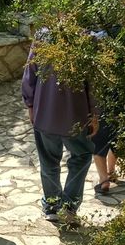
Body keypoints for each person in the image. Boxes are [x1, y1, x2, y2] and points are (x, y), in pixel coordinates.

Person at [22, 31, 98, 225]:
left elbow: (30, 72)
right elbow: (93, 82)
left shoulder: (42, 36)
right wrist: (95, 112)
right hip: (75, 115)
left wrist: (30, 104)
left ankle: (53, 206)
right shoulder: (85, 38)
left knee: (48, 159)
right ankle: (69, 207)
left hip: (44, 112)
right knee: (81, 156)